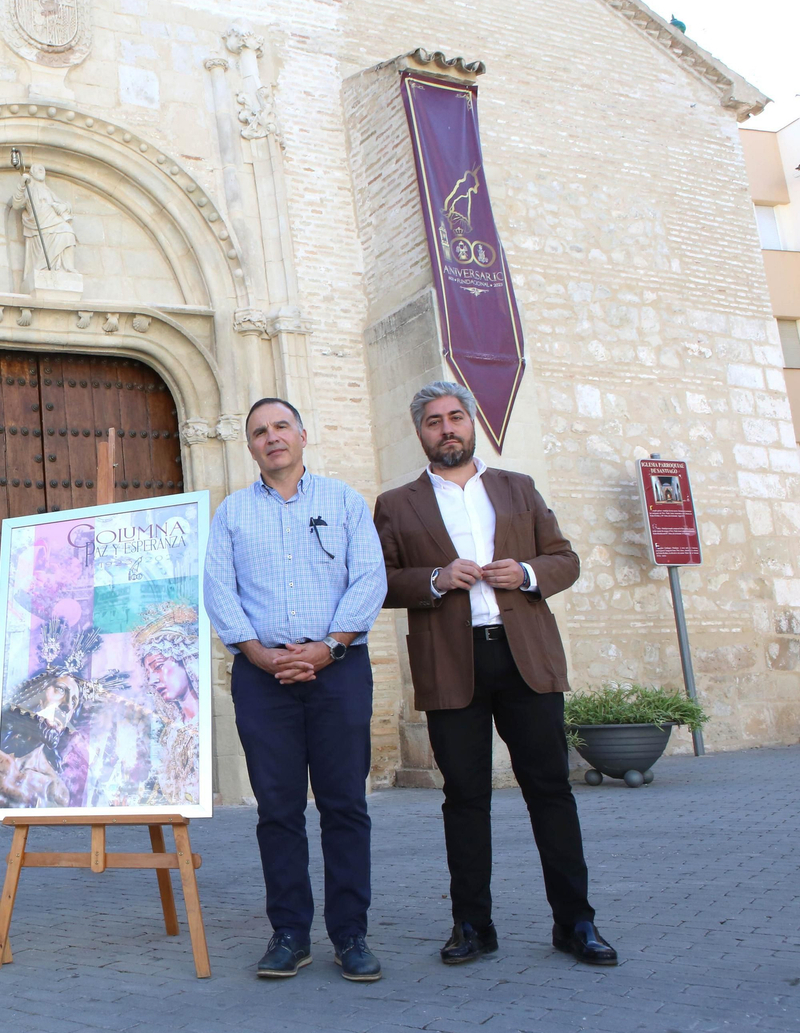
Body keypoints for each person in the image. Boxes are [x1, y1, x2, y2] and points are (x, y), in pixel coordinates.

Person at [372, 381, 616, 967]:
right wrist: (435, 578)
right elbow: (379, 580)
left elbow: (566, 559)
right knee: (464, 798)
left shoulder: (517, 488)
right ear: (420, 432)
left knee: (550, 791)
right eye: (434, 421)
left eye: (456, 416)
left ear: (472, 422)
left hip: (524, 657)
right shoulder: (397, 503)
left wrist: (527, 573)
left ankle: (575, 923)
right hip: (451, 663)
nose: (447, 428)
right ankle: (472, 925)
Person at [203, 397, 387, 982]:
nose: (272, 437)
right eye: (259, 431)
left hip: (339, 672)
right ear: (250, 445)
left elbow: (369, 578)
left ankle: (350, 935)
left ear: (303, 435)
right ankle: (289, 934)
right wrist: (256, 652)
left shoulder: (344, 502)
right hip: (263, 680)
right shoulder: (231, 514)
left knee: (344, 806)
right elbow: (218, 589)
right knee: (278, 811)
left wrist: (328, 648)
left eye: (282, 426)